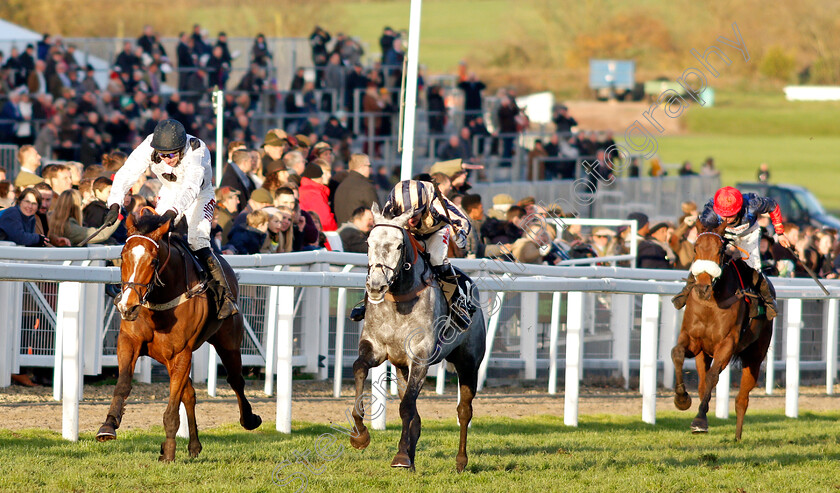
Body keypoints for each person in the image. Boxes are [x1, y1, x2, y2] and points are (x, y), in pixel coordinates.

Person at [103, 119, 238, 319]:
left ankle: (225, 296)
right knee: (151, 238)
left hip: (200, 195)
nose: (166, 159)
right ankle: (135, 289)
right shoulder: (149, 144)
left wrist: (173, 211)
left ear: (182, 148)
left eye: (172, 154)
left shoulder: (197, 149)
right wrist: (114, 203)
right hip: (170, 191)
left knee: (196, 240)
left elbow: (191, 187)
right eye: (162, 155)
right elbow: (126, 173)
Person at [350, 180, 475, 331]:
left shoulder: (436, 203)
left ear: (424, 207)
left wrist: (461, 234)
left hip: (435, 231)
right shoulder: (393, 203)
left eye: (415, 214)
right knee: (386, 261)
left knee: (437, 260)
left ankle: (457, 304)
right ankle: (368, 303)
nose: (410, 219)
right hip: (406, 231)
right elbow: (385, 227)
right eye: (407, 215)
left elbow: (463, 220)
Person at [672, 186, 791, 319]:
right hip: (722, 233)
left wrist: (780, 233)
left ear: (740, 208)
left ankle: (768, 301)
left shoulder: (753, 203)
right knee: (704, 260)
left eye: (730, 215)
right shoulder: (709, 214)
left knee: (753, 266)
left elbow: (773, 206)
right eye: (724, 215)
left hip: (748, 233)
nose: (727, 219)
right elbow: (705, 239)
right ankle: (685, 291)